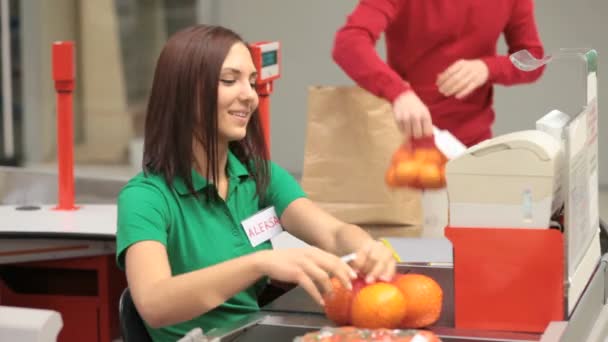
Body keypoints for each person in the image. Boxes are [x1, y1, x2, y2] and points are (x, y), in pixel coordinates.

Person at [116, 25, 396, 341]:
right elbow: (154, 303)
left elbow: (332, 232)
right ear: (182, 90)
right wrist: (260, 263)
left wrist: (364, 247)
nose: (249, 95)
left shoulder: (260, 176)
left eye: (251, 81)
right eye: (229, 80)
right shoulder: (145, 198)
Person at [332, 0, 546, 146]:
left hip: (473, 147)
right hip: (406, 141)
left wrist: (488, 68)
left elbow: (534, 59)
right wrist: (397, 92)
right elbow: (348, 43)